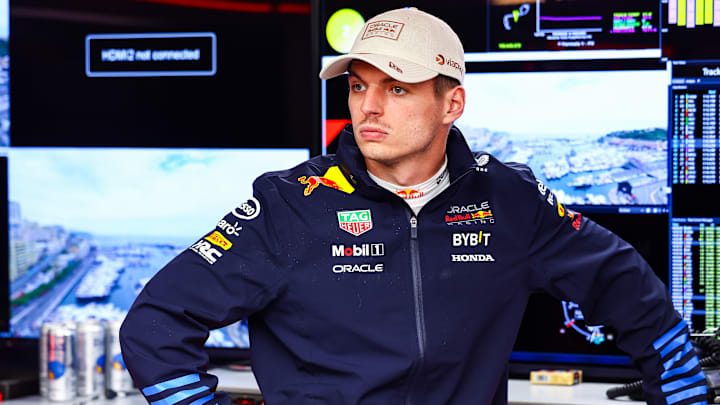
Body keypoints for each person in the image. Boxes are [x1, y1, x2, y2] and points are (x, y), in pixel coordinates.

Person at [120, 7, 707, 405]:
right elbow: (154, 326)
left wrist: (679, 384)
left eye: (396, 89)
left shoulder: (509, 200)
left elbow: (618, 279)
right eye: (358, 85)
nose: (368, 107)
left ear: (451, 103)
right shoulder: (288, 206)